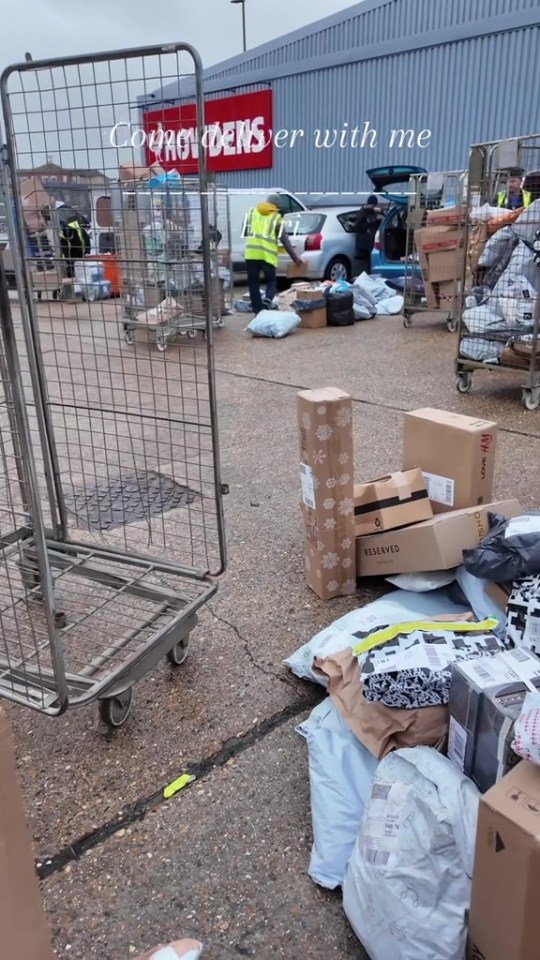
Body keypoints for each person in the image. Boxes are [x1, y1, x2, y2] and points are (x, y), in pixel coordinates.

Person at [243, 194, 302, 314]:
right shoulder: (276, 218)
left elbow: (245, 231)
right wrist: (296, 259)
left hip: (251, 254)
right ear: (276, 205)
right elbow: (285, 241)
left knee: (253, 284)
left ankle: (257, 312)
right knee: (271, 282)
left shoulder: (251, 212)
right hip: (267, 256)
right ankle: (266, 303)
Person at [55, 200, 91, 277]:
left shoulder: (61, 219)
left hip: (71, 255)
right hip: (78, 253)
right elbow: (86, 230)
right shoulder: (73, 216)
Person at [355, 194, 382, 275]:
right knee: (365, 263)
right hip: (365, 243)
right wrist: (372, 220)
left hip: (371, 241)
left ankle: (370, 274)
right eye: (373, 205)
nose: (373, 207)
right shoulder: (362, 212)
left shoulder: (374, 211)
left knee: (370, 262)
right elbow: (358, 226)